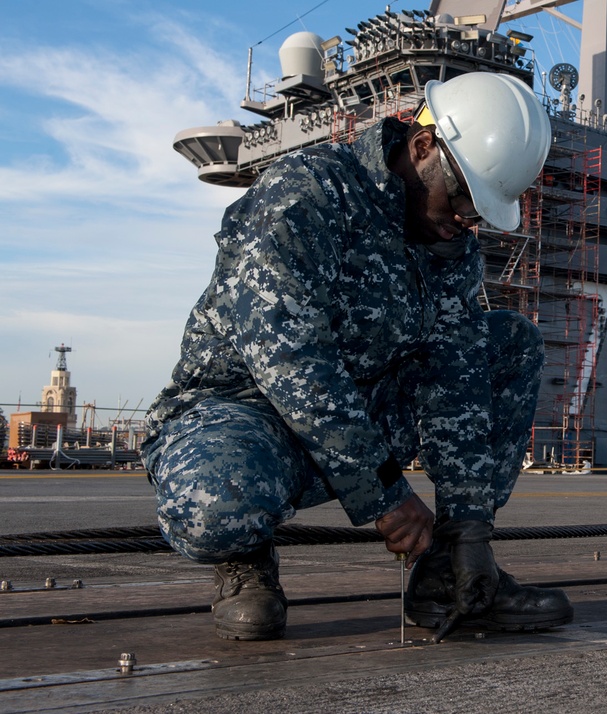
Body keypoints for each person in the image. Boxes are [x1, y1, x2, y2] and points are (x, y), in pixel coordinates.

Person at [140, 72, 573, 641]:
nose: (470, 219)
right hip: (246, 413)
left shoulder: (449, 243)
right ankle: (246, 558)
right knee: (211, 504)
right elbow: (290, 361)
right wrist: (385, 492)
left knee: (507, 343)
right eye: (465, 196)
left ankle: (447, 577)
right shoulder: (305, 194)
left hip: (363, 411)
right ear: (423, 148)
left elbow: (456, 372)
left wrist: (468, 532)